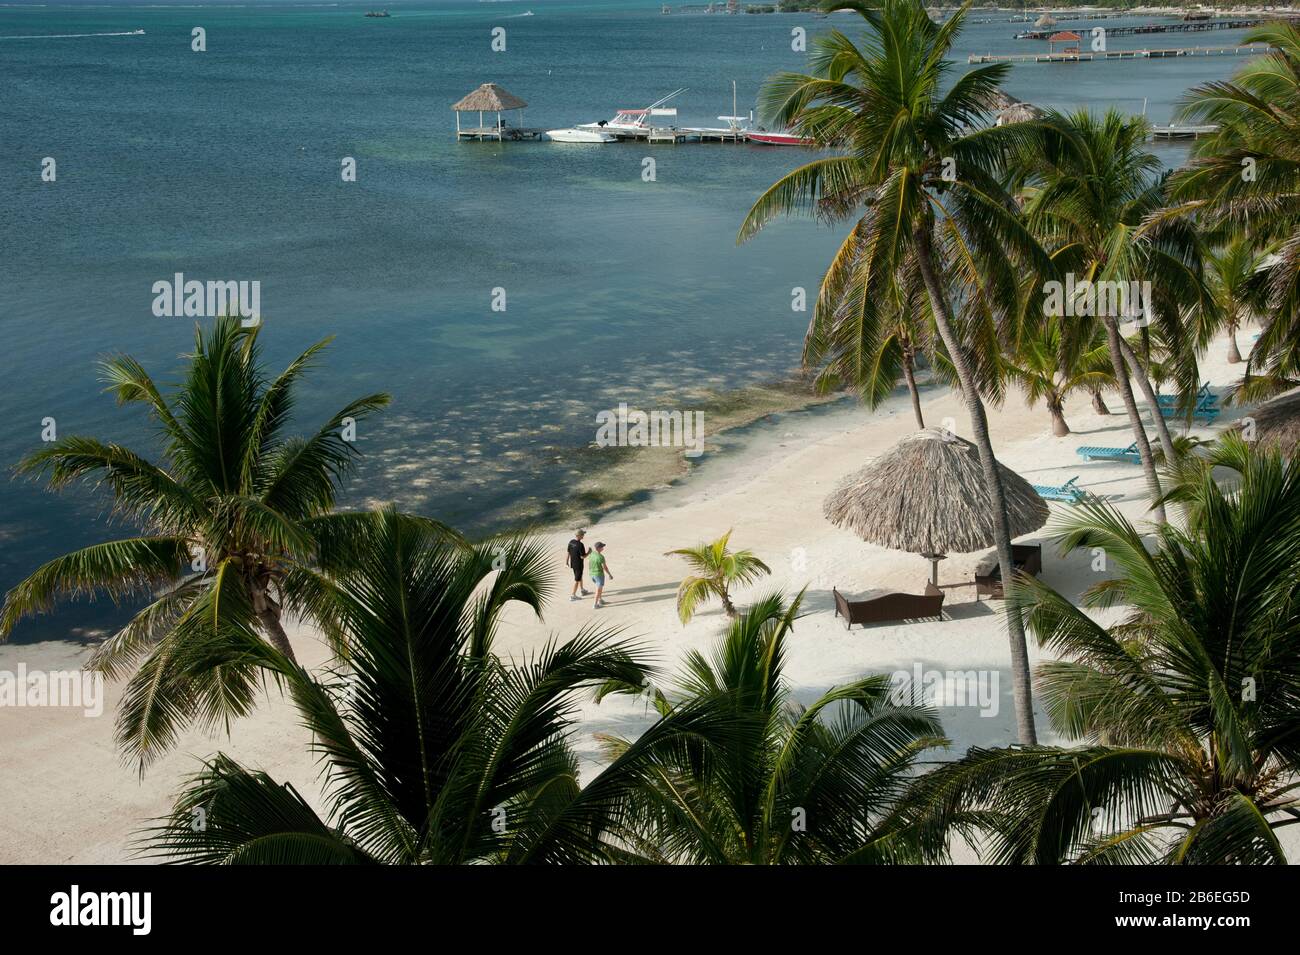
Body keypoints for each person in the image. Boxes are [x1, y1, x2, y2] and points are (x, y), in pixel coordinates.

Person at [566, 529, 590, 600]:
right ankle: (573, 595)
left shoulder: (571, 542)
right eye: (582, 534)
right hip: (579, 565)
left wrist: (566, 562)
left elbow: (568, 552)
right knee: (577, 579)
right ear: (579, 536)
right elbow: (583, 556)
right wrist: (589, 552)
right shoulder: (580, 545)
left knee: (579, 576)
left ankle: (582, 590)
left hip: (573, 563)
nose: (583, 536)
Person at [588, 541, 612, 609]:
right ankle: (595, 604)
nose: (603, 548)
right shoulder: (601, 557)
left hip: (592, 574)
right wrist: (609, 574)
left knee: (599, 588)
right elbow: (605, 567)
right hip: (599, 575)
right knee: (598, 590)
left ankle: (600, 600)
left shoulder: (591, 554)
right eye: (602, 547)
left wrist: (590, 571)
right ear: (598, 548)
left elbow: (589, 563)